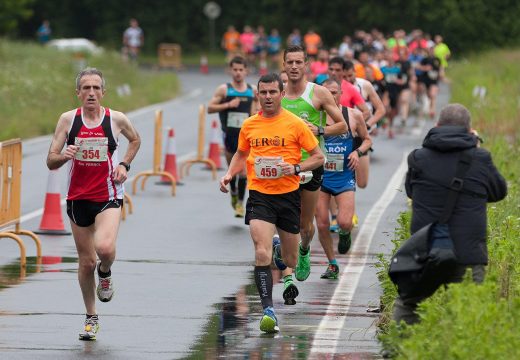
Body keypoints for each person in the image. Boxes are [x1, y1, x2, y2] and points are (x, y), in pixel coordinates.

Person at [219, 73, 325, 333]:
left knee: (288, 258)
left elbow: (318, 157)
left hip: (288, 195)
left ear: (280, 94)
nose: (267, 97)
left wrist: (294, 167)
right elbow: (241, 153)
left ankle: (282, 250)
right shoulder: (250, 125)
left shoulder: (295, 124)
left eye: (272, 92)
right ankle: (268, 310)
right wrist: (230, 174)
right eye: (263, 92)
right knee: (260, 252)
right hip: (259, 195)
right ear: (258, 94)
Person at [46, 68, 141, 340]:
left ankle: (106, 270)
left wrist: (124, 164)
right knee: (86, 262)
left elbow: (135, 139)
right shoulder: (68, 120)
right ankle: (91, 317)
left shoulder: (116, 119)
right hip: (78, 199)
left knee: (105, 248)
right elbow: (50, 160)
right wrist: (64, 155)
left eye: (96, 88)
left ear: (103, 92)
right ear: (78, 92)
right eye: (85, 88)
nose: (91, 92)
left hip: (108, 194)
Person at [392, 103, 507, 325]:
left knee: (408, 302)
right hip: (467, 252)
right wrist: (475, 145)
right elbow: (498, 192)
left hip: (427, 248)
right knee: (469, 312)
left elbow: (411, 192)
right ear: (470, 130)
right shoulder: (480, 157)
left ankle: (399, 348)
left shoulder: (418, 158)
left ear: (436, 126)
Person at [282, 45, 348, 282]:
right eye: (290, 62)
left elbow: (342, 126)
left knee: (304, 225)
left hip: (312, 165)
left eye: (298, 62)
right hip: (284, 167)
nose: (294, 66)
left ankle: (304, 248)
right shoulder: (276, 95)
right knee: (285, 220)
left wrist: (319, 129)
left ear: (306, 64)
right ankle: (288, 274)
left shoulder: (318, 93)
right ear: (284, 65)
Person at [316, 79, 371, 279]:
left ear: (341, 94)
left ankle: (345, 234)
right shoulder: (316, 117)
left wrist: (357, 152)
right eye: (327, 93)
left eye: (335, 93)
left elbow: (367, 140)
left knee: (345, 222)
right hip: (321, 178)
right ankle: (332, 264)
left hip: (345, 176)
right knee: (322, 224)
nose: (331, 96)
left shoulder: (353, 115)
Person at [208, 56, 258, 217]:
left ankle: (240, 205)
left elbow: (257, 110)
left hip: (245, 137)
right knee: (232, 172)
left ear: (246, 71)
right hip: (229, 136)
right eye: (235, 69)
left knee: (243, 172)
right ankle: (234, 193)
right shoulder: (224, 89)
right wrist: (228, 105)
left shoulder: (252, 90)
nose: (238, 73)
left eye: (241, 70)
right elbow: (210, 108)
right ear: (230, 70)